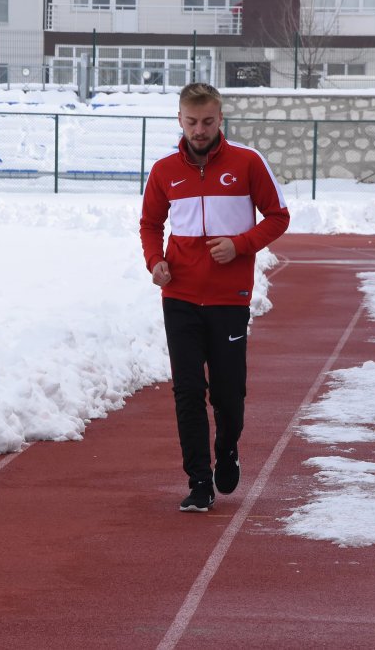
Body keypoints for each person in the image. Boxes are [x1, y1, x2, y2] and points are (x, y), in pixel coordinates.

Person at [139, 83, 290, 512]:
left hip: (229, 298)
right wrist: (155, 262)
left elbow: (278, 216)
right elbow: (150, 224)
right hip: (180, 295)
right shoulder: (165, 170)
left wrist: (240, 245)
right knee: (187, 390)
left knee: (228, 394)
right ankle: (199, 481)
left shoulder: (247, 163)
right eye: (191, 122)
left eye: (207, 121)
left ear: (220, 119)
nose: (199, 130)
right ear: (180, 121)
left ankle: (227, 451)